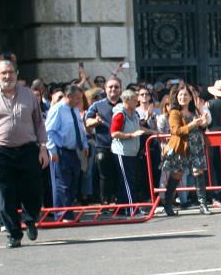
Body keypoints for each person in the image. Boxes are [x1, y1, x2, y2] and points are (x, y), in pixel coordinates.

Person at [0, 59, 50, 247]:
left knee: (32, 190)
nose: (8, 76)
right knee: (5, 194)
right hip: (1, 151)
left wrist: (43, 149)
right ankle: (13, 233)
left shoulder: (29, 95)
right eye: (3, 73)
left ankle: (30, 219)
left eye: (11, 72)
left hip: (28, 149)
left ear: (16, 73)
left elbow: (39, 123)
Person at [162, 84, 211, 216]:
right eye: (180, 95)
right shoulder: (174, 112)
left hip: (196, 146)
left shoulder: (194, 111)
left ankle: (203, 205)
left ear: (190, 98)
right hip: (182, 148)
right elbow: (176, 131)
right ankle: (168, 205)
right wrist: (191, 124)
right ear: (176, 97)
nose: (183, 97)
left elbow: (202, 127)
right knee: (177, 175)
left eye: (186, 95)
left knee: (198, 172)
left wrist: (203, 123)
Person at [44, 84, 88, 218]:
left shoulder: (73, 109)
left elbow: (79, 127)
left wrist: (84, 144)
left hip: (73, 151)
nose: (79, 101)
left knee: (73, 182)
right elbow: (49, 131)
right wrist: (52, 151)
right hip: (60, 150)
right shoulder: (57, 109)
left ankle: (69, 211)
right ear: (69, 97)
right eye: (77, 99)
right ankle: (62, 215)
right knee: (61, 184)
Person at [84, 76, 122, 205]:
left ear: (120, 89)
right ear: (105, 89)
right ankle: (105, 202)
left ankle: (120, 202)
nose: (113, 89)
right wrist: (96, 121)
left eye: (116, 87)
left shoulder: (126, 103)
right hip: (103, 145)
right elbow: (87, 122)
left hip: (123, 146)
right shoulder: (97, 105)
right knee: (104, 175)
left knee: (120, 174)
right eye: (110, 87)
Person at [110, 88, 147, 211]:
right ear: (126, 101)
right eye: (135, 100)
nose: (137, 102)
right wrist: (131, 135)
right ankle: (132, 209)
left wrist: (155, 132)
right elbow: (114, 133)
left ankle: (122, 208)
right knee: (127, 181)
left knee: (128, 179)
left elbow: (139, 127)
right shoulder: (120, 114)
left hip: (132, 152)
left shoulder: (134, 113)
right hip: (122, 151)